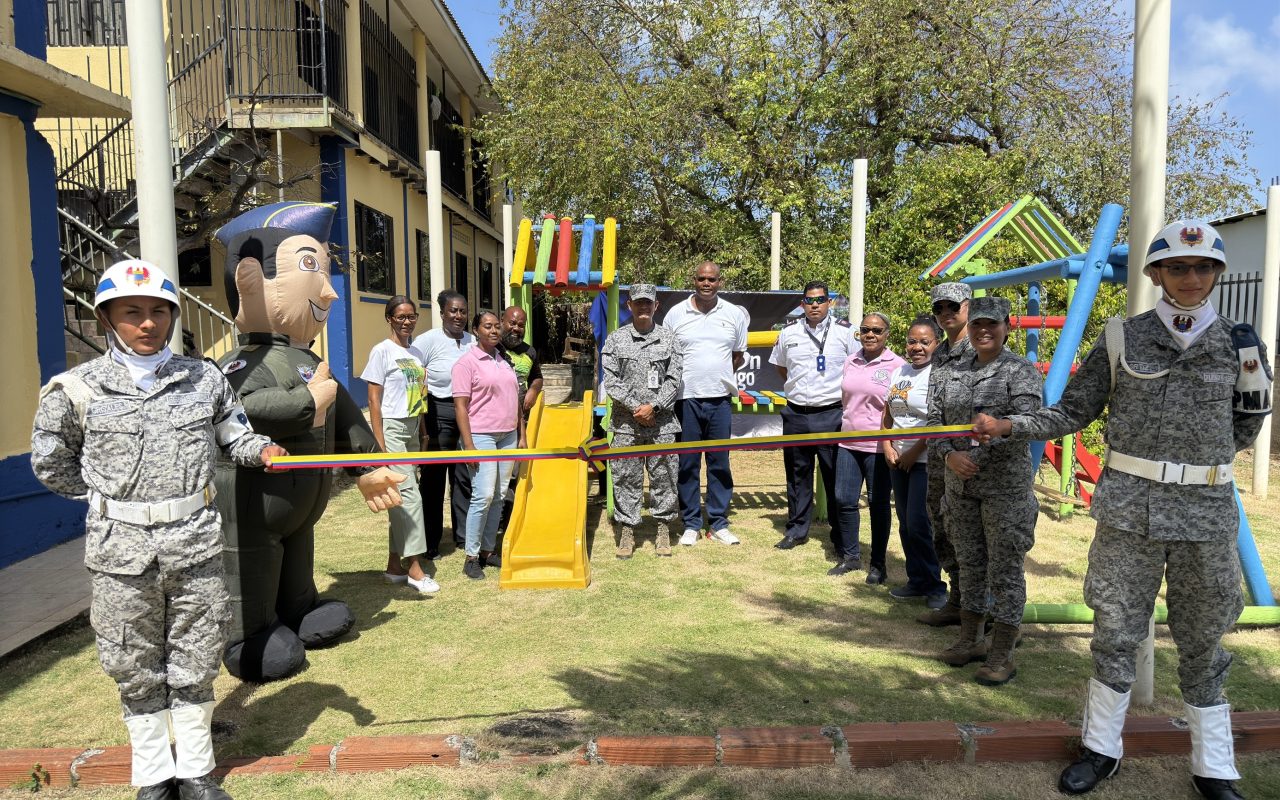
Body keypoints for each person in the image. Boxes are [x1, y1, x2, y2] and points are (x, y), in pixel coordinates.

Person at [973, 221, 1269, 800]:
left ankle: (1215, 767)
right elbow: (1072, 412)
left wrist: (1196, 462)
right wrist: (1011, 426)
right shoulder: (1120, 338)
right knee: (1114, 630)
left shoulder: (1241, 343)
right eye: (1177, 267)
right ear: (1156, 273)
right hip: (1129, 513)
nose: (1191, 278)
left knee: (1205, 638)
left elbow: (1249, 420)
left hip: (1205, 516)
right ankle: (1101, 750)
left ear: (1216, 274)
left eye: (1203, 267)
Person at [31, 261, 287, 800]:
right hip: (120, 552)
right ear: (106, 319)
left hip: (193, 541)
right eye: (133, 313)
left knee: (196, 653)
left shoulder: (204, 379)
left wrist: (262, 449)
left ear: (171, 316)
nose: (148, 324)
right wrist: (110, 500)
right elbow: (50, 463)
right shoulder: (75, 389)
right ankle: (152, 775)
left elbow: (233, 436)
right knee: (132, 659)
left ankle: (195, 770)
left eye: (158, 312)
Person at [213, 201, 405, 684]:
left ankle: (299, 609)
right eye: (310, 268)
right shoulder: (241, 365)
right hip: (255, 505)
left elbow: (343, 417)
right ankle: (248, 634)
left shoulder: (306, 360)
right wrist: (305, 402)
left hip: (301, 506)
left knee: (297, 555)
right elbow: (241, 412)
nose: (329, 293)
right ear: (253, 279)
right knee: (254, 565)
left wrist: (367, 467)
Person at [928, 296, 1043, 686]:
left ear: (1007, 327)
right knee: (969, 563)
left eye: (992, 324)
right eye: (977, 324)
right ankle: (970, 639)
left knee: (1005, 569)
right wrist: (949, 457)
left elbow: (1032, 421)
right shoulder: (947, 370)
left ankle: (1002, 652)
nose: (983, 331)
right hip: (960, 486)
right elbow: (934, 422)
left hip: (1005, 490)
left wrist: (992, 435)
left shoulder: (1020, 371)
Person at [769, 281, 859, 575]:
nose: (815, 305)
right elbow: (781, 368)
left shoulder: (846, 332)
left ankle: (839, 538)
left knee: (835, 477)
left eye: (821, 299)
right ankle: (796, 530)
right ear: (802, 303)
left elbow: (856, 368)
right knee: (797, 475)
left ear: (829, 302)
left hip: (832, 414)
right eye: (810, 300)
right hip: (796, 413)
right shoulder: (788, 333)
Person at [662, 261, 749, 546]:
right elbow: (666, 357)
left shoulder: (734, 314)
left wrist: (716, 377)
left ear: (720, 282)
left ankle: (719, 523)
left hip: (720, 400)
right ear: (694, 281)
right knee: (687, 465)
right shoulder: (676, 314)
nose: (706, 283)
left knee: (719, 463)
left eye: (711, 279)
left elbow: (737, 355)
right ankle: (691, 524)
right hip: (685, 400)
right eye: (701, 279)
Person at [362, 296, 438, 595]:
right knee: (410, 497)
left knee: (398, 496)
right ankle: (416, 569)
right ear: (390, 319)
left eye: (412, 316)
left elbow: (419, 395)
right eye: (401, 316)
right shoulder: (381, 351)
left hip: (411, 427)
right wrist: (379, 442)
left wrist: (422, 431)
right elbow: (373, 400)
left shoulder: (416, 352)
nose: (408, 321)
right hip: (391, 428)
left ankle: (395, 566)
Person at [600, 284, 683, 557]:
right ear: (630, 306)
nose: (643, 307)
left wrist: (654, 408)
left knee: (665, 478)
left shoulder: (670, 339)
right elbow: (610, 380)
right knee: (625, 477)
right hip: (626, 425)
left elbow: (675, 380)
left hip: (662, 425)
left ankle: (663, 529)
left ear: (656, 306)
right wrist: (639, 408)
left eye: (649, 302)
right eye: (638, 302)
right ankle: (627, 530)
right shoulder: (615, 340)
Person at [452, 311, 526, 579]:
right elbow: (460, 406)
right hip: (481, 436)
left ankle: (486, 551)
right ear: (475, 330)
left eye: (497, 327)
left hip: (507, 436)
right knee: (482, 495)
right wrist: (468, 444)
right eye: (487, 327)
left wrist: (522, 434)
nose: (494, 331)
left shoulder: (504, 359)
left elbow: (515, 400)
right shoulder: (466, 363)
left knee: (498, 495)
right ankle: (471, 557)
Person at [881, 315, 948, 608]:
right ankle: (916, 581)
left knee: (921, 524)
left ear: (936, 343)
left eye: (924, 341)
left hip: (924, 460)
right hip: (897, 459)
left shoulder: (939, 374)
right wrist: (887, 446)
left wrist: (913, 451)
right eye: (912, 341)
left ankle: (936, 587)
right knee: (906, 525)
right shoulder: (900, 372)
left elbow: (939, 420)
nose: (917, 347)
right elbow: (888, 414)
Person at [833, 311, 903, 585]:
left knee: (878, 504)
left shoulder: (898, 365)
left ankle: (878, 564)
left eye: (877, 330)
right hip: (848, 443)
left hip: (878, 447)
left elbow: (899, 410)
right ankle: (851, 558)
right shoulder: (852, 360)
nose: (870, 334)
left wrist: (890, 443)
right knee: (844, 501)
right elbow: (846, 400)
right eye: (865, 330)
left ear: (887, 334)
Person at [919, 282, 972, 626]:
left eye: (952, 306)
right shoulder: (939, 355)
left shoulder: (982, 347)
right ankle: (957, 598)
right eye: (939, 308)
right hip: (940, 458)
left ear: (968, 306)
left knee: (971, 535)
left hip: (970, 461)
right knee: (942, 528)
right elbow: (934, 409)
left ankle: (985, 609)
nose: (945, 313)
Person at [413, 290, 475, 558]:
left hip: (468, 415)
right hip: (437, 412)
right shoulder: (427, 341)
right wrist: (422, 427)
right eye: (453, 311)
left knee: (463, 477)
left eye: (462, 311)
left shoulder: (474, 341)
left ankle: (462, 537)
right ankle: (430, 541)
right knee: (434, 479)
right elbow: (415, 380)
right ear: (442, 314)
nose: (458, 316)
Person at [499, 306, 543, 529]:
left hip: (519, 423)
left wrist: (533, 390)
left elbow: (537, 377)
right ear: (502, 321)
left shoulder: (530, 351)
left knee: (513, 473)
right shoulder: (491, 348)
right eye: (512, 323)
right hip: (492, 423)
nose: (516, 328)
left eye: (521, 325)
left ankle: (509, 521)